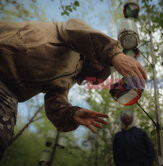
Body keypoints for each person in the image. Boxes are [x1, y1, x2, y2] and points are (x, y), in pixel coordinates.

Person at [0, 19, 147, 157]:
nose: (99, 66)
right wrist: (114, 54)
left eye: (101, 70)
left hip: (7, 93)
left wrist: (71, 113)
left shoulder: (68, 80)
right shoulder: (73, 37)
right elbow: (76, 31)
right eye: (101, 62)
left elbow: (55, 103)